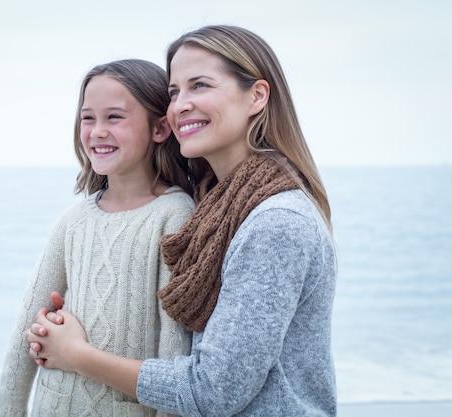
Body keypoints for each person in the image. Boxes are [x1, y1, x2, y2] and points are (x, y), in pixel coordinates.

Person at [27, 25, 338, 417]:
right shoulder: (214, 207)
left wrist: (76, 354)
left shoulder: (275, 223)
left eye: (200, 86)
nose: (180, 105)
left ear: (257, 96)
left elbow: (213, 391)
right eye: (175, 92)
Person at [0, 59, 195, 417]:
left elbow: (173, 349)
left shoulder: (174, 215)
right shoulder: (73, 220)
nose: (97, 131)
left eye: (114, 117)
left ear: (160, 128)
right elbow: (27, 326)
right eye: (89, 118)